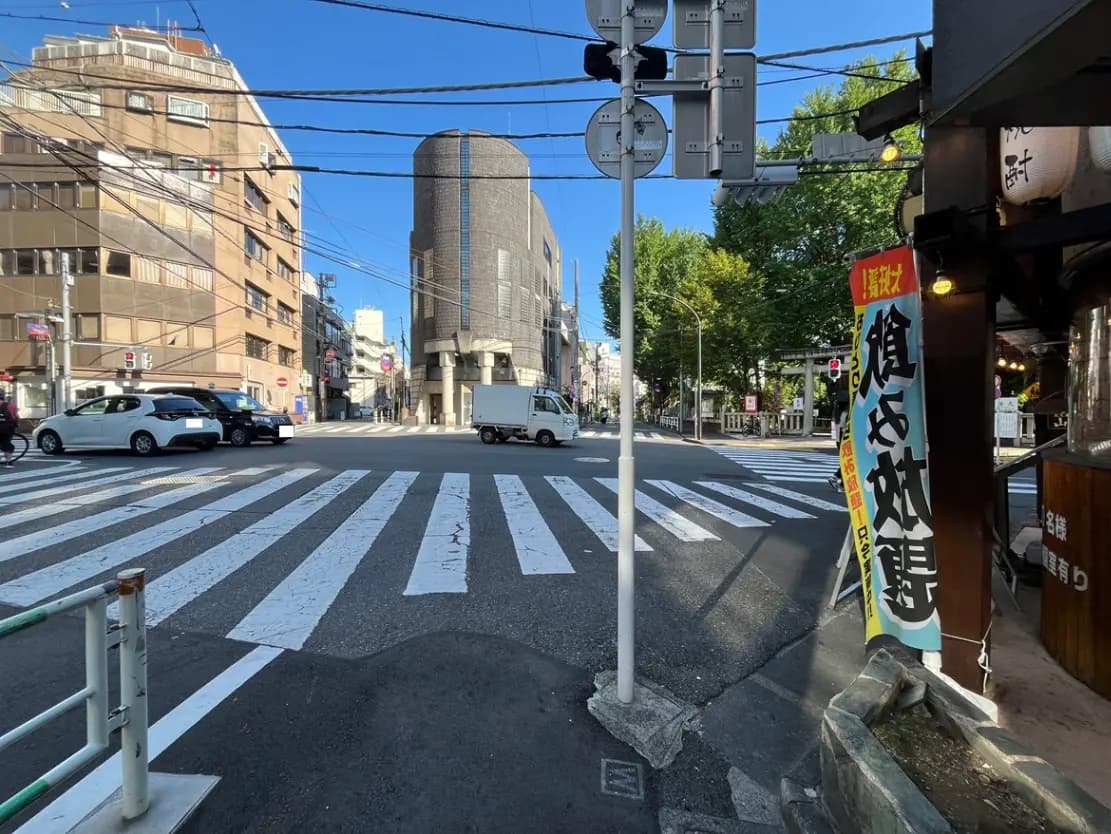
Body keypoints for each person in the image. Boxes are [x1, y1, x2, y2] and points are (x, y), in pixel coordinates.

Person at [0, 390, 18, 467]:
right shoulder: (11, 405)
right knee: (6, 443)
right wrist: (16, 425)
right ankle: (9, 462)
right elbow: (15, 417)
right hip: (8, 428)